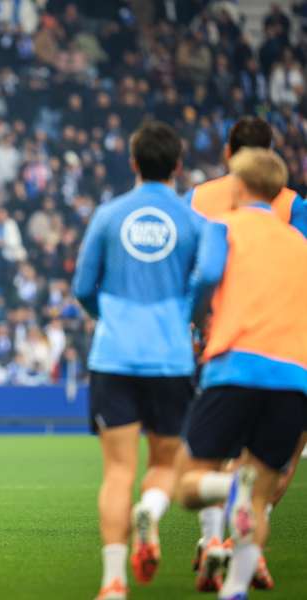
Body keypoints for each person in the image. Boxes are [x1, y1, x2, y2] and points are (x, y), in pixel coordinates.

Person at [73, 121, 203, 600]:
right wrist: (187, 313)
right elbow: (210, 274)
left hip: (114, 355)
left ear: (133, 163)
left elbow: (82, 286)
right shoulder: (192, 220)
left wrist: (107, 315)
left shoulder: (109, 215)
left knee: (117, 472)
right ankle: (150, 508)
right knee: (165, 464)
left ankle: (113, 582)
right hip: (170, 357)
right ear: (178, 166)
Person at [184, 115, 307, 591]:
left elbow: (198, 272)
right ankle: (243, 563)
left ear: (229, 156)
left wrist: (191, 320)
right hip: (289, 357)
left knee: (200, 469)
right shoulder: (294, 210)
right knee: (266, 473)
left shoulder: (202, 202)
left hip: (225, 347)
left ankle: (212, 538)